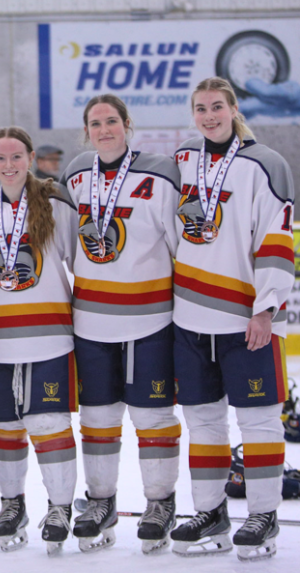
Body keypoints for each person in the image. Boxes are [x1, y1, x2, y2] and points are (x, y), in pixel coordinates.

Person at [169, 77, 294, 562]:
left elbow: (277, 241)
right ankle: (210, 511)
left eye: (217, 107)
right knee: (203, 422)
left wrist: (266, 308)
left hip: (248, 319)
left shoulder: (266, 163)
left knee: (260, 422)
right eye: (200, 108)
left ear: (234, 108)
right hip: (191, 318)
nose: (208, 116)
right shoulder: (182, 160)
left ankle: (263, 515)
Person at [60, 94, 182, 554]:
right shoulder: (75, 174)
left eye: (112, 121)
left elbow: (179, 244)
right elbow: (66, 245)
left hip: (151, 318)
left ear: (128, 125)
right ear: (86, 130)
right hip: (91, 321)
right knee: (97, 418)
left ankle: (160, 502)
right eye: (96, 122)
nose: (104, 129)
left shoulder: (160, 171)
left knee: (152, 416)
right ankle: (101, 501)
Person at [0, 126, 79, 556]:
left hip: (49, 337)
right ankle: (12, 504)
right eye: (0, 158)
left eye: (16, 157)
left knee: (49, 426)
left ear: (30, 157)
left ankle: (60, 507)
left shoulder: (55, 201)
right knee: (5, 428)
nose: (8, 165)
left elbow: (82, 263)